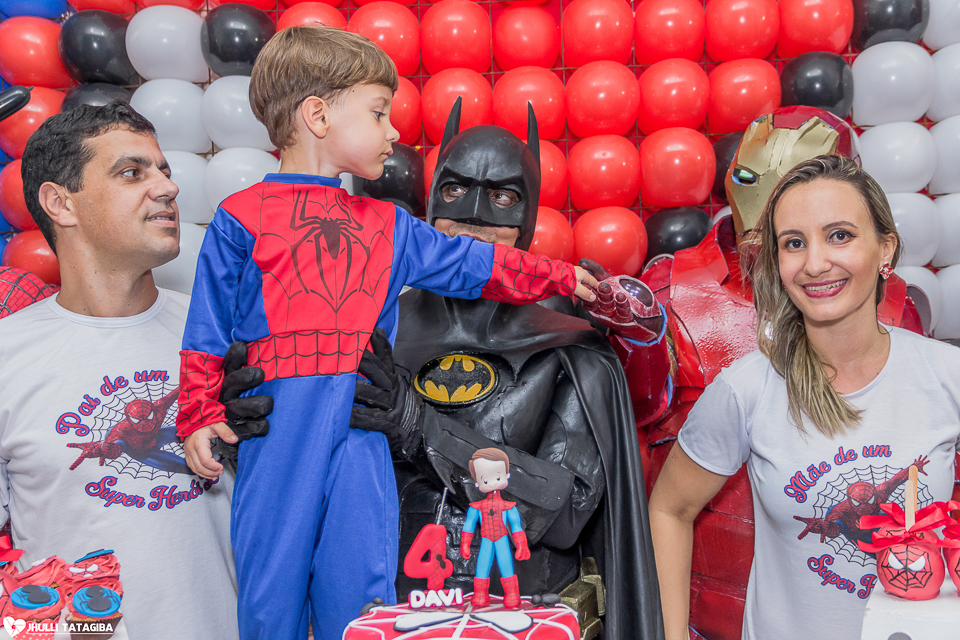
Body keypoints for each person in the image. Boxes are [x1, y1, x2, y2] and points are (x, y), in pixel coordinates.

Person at [175, 27, 599, 640]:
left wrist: (559, 276)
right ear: (318, 115)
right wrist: (198, 413)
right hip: (280, 429)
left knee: (362, 594)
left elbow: (474, 264)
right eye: (378, 113)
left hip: (360, 427)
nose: (394, 131)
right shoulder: (240, 218)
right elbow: (207, 329)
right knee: (270, 592)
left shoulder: (389, 224)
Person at [350, 102, 664, 639]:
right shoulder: (373, 325)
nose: (474, 216)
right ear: (431, 199)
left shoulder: (567, 343)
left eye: (501, 197)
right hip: (387, 606)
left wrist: (423, 430)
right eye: (456, 189)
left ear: (528, 214)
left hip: (524, 611)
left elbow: (566, 508)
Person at [627, 106, 925, 640]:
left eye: (839, 235)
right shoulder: (678, 298)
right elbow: (643, 454)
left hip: (877, 603)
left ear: (883, 242)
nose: (817, 262)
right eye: (795, 241)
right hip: (705, 600)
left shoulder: (916, 339)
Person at [0, 102, 246, 640]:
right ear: (60, 203)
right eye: (132, 173)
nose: (168, 187)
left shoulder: (225, 339)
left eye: (165, 171)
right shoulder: (6, 358)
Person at [459, 447, 529, 608]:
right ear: (477, 482)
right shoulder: (476, 507)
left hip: (502, 539)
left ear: (506, 475)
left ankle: (512, 594)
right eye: (484, 480)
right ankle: (480, 594)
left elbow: (516, 525)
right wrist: (465, 544)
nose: (491, 482)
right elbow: (469, 525)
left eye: (497, 477)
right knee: (482, 567)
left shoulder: (508, 506)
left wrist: (521, 545)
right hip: (486, 540)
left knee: (506, 565)